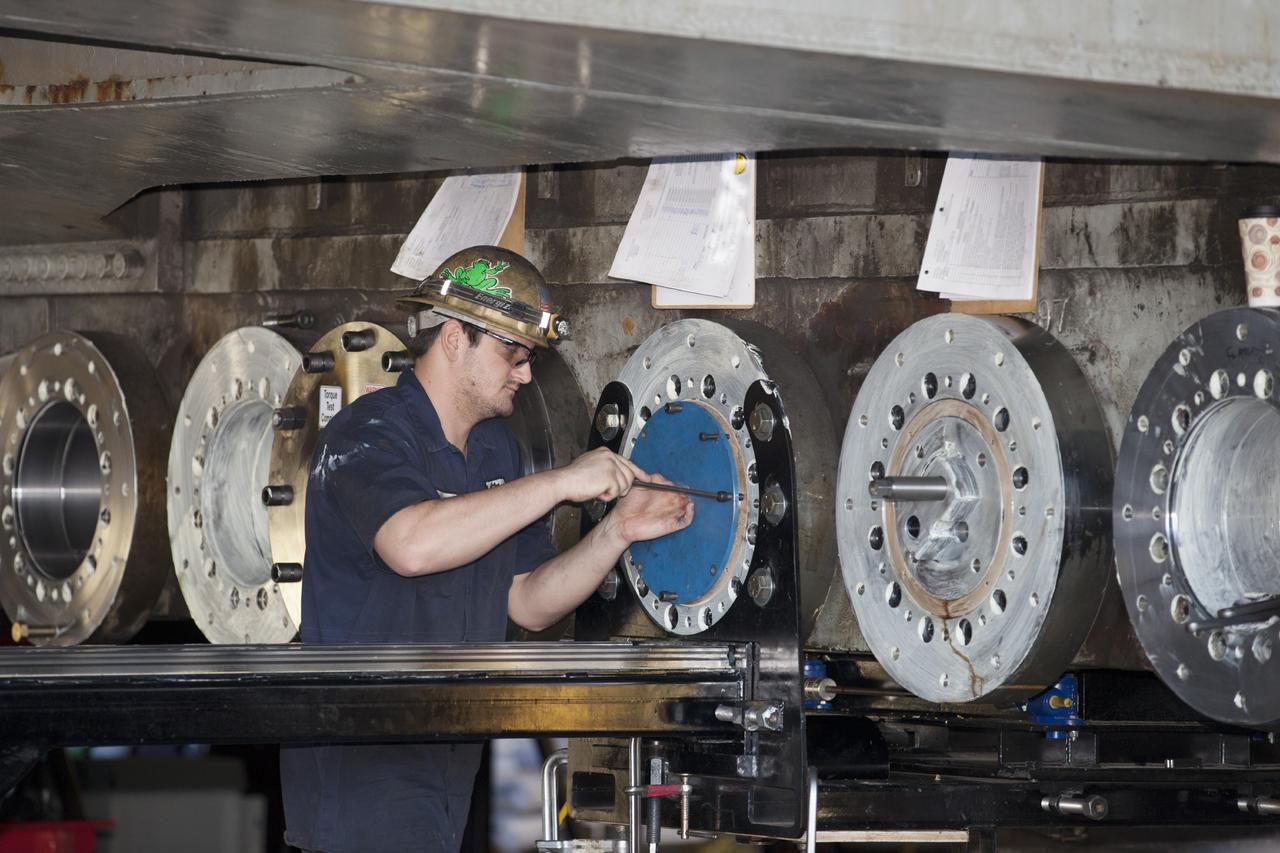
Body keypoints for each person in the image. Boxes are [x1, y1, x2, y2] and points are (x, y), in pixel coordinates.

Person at [279, 246, 694, 853]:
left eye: (528, 358)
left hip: (449, 769)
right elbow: (411, 544)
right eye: (511, 353)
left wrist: (616, 532)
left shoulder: (497, 452)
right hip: (362, 776)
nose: (525, 374)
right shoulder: (367, 435)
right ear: (452, 340)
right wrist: (559, 482)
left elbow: (528, 602)